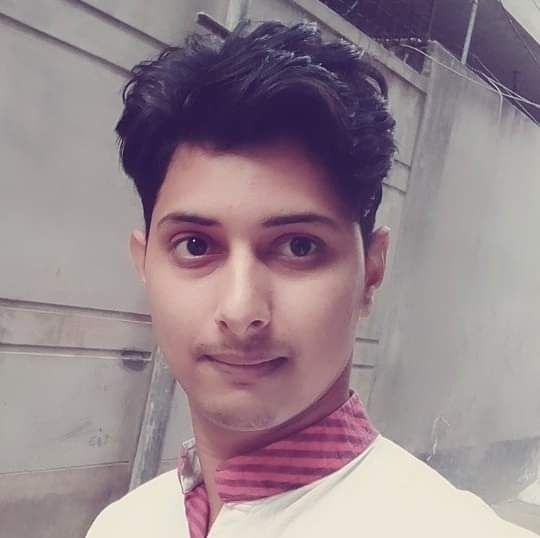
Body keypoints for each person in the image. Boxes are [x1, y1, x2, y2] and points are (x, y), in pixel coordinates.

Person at [86, 19, 537, 538]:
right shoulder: (123, 525)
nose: (241, 310)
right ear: (144, 264)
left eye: (299, 247)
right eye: (196, 246)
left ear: (372, 272)